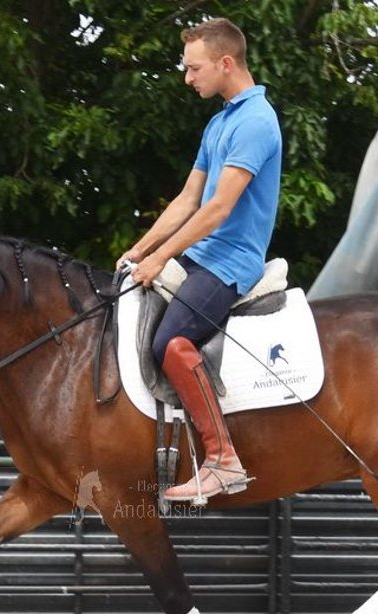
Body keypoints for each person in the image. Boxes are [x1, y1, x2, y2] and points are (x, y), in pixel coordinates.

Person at [117, 17, 282, 502]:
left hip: (231, 262)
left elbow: (218, 209)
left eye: (194, 68)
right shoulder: (221, 121)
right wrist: (140, 249)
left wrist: (161, 257)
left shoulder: (256, 121)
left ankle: (222, 460)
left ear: (225, 63)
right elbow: (188, 199)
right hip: (200, 255)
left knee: (170, 342)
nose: (187, 78)